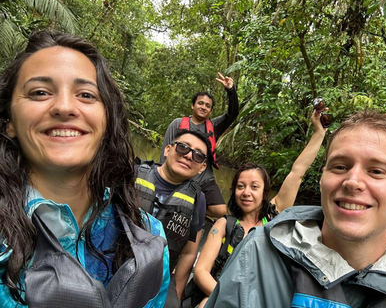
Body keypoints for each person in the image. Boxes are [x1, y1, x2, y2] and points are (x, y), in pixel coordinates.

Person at [204, 110, 386, 308]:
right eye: (340, 167)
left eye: (376, 171)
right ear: (323, 177)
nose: (352, 182)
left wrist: (319, 133)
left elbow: (296, 173)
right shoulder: (253, 245)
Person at [0, 30, 170, 307]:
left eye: (86, 95)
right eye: (40, 92)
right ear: (9, 121)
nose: (65, 107)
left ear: (106, 121)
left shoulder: (149, 238)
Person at [190, 109, 328, 308]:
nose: (246, 192)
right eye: (240, 186)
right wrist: (232, 298)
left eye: (254, 187)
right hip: (224, 297)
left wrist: (319, 134)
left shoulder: (274, 217)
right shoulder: (223, 224)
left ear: (264, 192)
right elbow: (201, 272)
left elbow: (297, 173)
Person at [135, 129, 210, 305]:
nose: (189, 156)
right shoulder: (133, 173)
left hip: (160, 276)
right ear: (168, 149)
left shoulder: (198, 200)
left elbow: (189, 253)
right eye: (183, 148)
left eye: (198, 156)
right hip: (115, 259)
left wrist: (176, 293)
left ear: (202, 168)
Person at [160, 73, 239, 218]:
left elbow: (233, 113)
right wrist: (163, 176)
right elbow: (166, 150)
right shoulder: (177, 124)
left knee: (220, 211)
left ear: (210, 111)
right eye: (200, 103)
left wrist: (231, 90)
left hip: (204, 177)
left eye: (207, 106)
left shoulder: (214, 126)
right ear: (192, 105)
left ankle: (188, 207)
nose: (203, 107)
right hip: (180, 173)